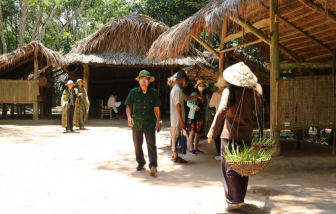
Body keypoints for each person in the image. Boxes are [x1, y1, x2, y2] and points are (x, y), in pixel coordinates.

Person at [207, 62, 263, 211]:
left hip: (229, 135)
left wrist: (212, 132)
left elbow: (221, 110)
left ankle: (235, 200)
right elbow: (257, 112)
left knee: (230, 168)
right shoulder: (251, 92)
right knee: (244, 168)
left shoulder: (228, 90)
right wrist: (260, 92)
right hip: (246, 136)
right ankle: (240, 198)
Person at [125, 70, 162, 175]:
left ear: (149, 81)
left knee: (151, 143)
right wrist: (129, 117)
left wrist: (159, 121)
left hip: (149, 122)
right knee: (137, 144)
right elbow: (128, 106)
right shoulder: (133, 92)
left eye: (145, 80)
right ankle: (141, 162)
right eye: (141, 80)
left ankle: (153, 165)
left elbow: (156, 108)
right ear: (139, 81)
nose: (143, 82)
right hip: (136, 122)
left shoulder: (153, 92)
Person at [170, 70, 205, 163]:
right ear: (182, 80)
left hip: (176, 118)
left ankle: (174, 155)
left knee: (176, 136)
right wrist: (181, 121)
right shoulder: (177, 90)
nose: (186, 81)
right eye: (185, 79)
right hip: (177, 119)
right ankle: (175, 157)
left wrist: (197, 96)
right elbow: (178, 106)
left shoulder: (177, 89)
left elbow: (186, 97)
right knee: (176, 137)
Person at [186, 79, 210, 155]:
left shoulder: (206, 96)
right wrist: (194, 106)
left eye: (203, 85)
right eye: (200, 85)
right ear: (197, 86)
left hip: (201, 116)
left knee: (198, 133)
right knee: (192, 132)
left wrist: (206, 117)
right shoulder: (194, 93)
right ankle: (190, 149)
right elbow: (188, 103)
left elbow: (207, 107)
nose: (201, 86)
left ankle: (195, 148)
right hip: (193, 116)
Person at [209, 76, 229, 160]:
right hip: (228, 116)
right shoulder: (229, 94)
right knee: (226, 135)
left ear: (218, 86)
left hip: (218, 115)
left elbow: (211, 105)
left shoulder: (216, 94)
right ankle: (226, 153)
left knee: (217, 135)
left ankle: (219, 154)